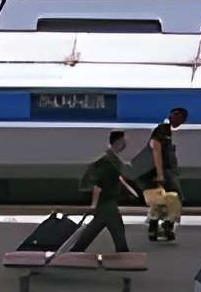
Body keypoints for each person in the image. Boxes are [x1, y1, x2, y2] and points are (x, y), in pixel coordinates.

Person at [74, 131, 143, 257]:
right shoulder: (106, 161)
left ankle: (74, 252)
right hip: (106, 202)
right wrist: (94, 205)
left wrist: (129, 190)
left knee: (95, 229)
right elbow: (97, 185)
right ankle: (124, 254)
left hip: (108, 202)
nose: (125, 144)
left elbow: (117, 178)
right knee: (116, 228)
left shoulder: (113, 159)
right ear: (117, 142)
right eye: (123, 141)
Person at [141, 106, 189, 243]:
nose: (181, 122)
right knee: (176, 198)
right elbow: (156, 149)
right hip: (163, 171)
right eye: (181, 118)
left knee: (162, 199)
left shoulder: (166, 130)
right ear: (174, 115)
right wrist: (160, 173)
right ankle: (166, 225)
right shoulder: (163, 129)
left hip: (163, 170)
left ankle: (154, 225)